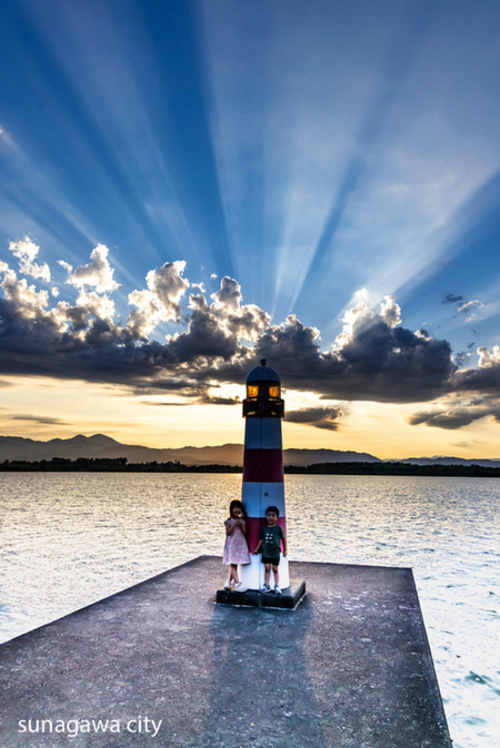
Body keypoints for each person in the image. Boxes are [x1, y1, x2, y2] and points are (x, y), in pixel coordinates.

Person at [252, 505, 287, 595]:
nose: (270, 517)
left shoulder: (279, 528)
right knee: (267, 568)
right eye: (268, 515)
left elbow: (283, 539)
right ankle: (266, 585)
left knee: (275, 568)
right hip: (266, 552)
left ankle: (277, 585)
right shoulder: (264, 528)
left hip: (275, 552)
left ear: (277, 517)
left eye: (273, 515)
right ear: (266, 516)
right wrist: (256, 549)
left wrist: (285, 550)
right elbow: (261, 539)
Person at [222, 500, 251, 592]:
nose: (237, 510)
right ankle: (238, 583)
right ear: (231, 509)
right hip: (232, 544)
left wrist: (242, 525)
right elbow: (228, 533)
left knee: (234, 563)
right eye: (235, 508)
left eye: (238, 508)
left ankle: (228, 581)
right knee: (232, 563)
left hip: (240, 544)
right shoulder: (228, 521)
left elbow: (245, 532)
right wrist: (234, 525)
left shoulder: (242, 520)